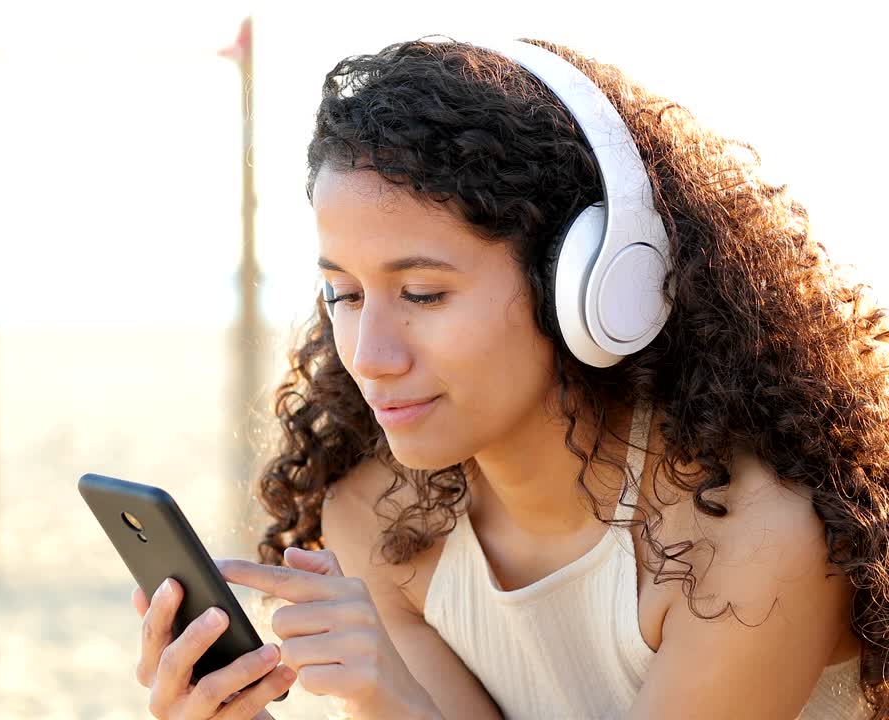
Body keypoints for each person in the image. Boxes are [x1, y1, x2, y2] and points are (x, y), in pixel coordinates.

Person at [129, 36, 886, 719]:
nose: (369, 355)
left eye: (422, 294)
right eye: (346, 295)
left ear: (592, 287)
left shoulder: (749, 539)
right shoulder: (379, 519)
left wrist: (388, 696)